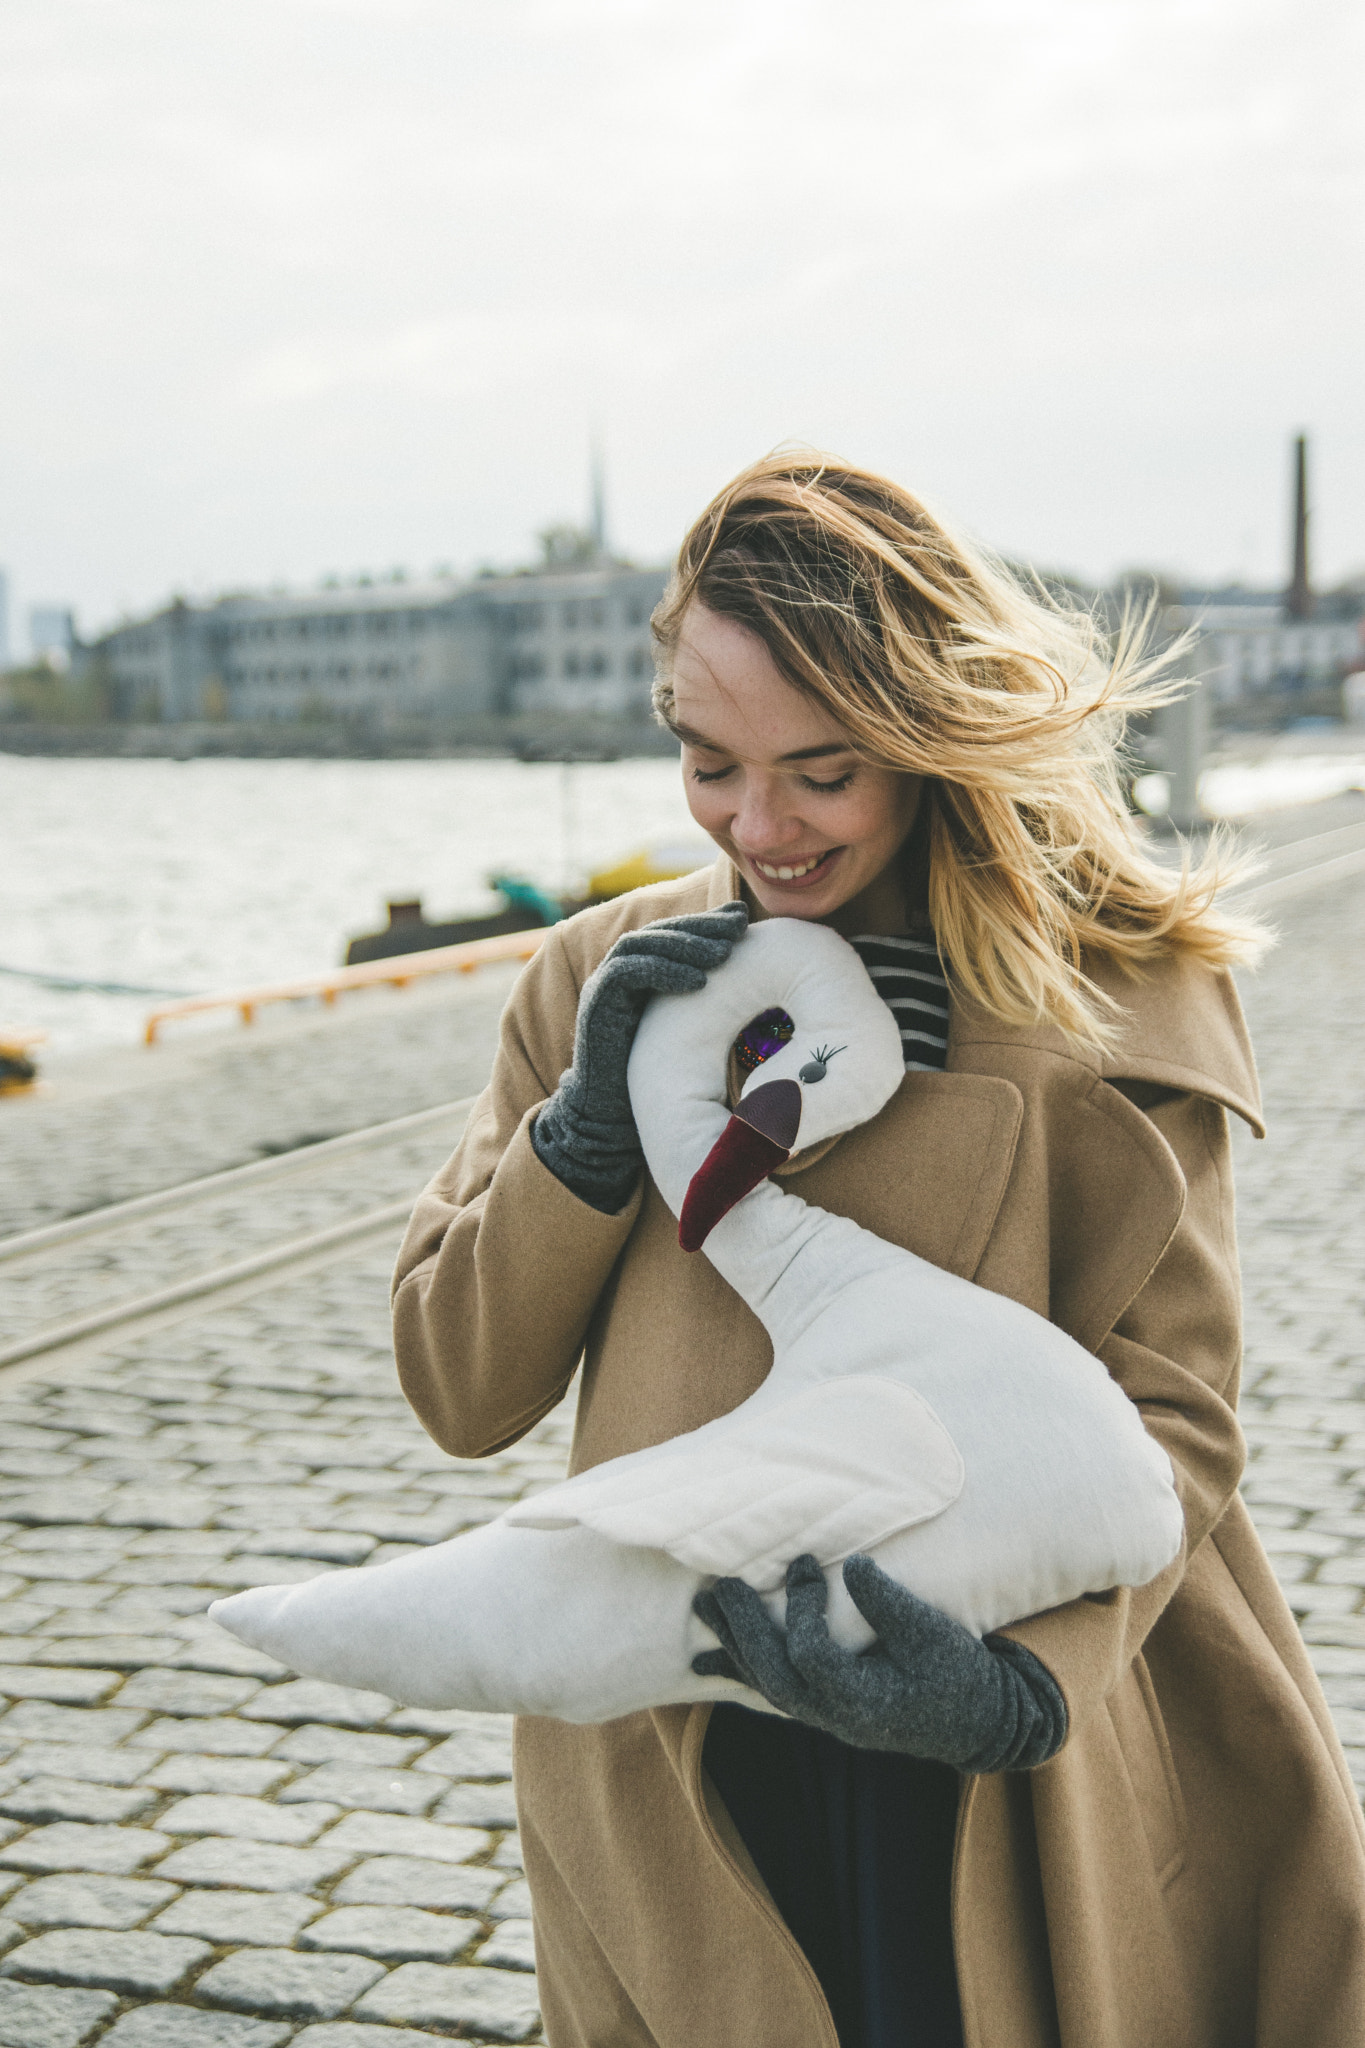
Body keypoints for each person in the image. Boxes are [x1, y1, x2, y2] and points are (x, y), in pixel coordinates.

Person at [392, 455, 1365, 2048]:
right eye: (706, 762)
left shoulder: (1112, 998)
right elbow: (459, 1386)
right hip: (681, 1741)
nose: (755, 825)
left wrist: (1015, 1690)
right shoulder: (598, 983)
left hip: (1001, 1766)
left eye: (821, 772)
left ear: (922, 736)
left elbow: (1175, 1420)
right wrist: (588, 1126)